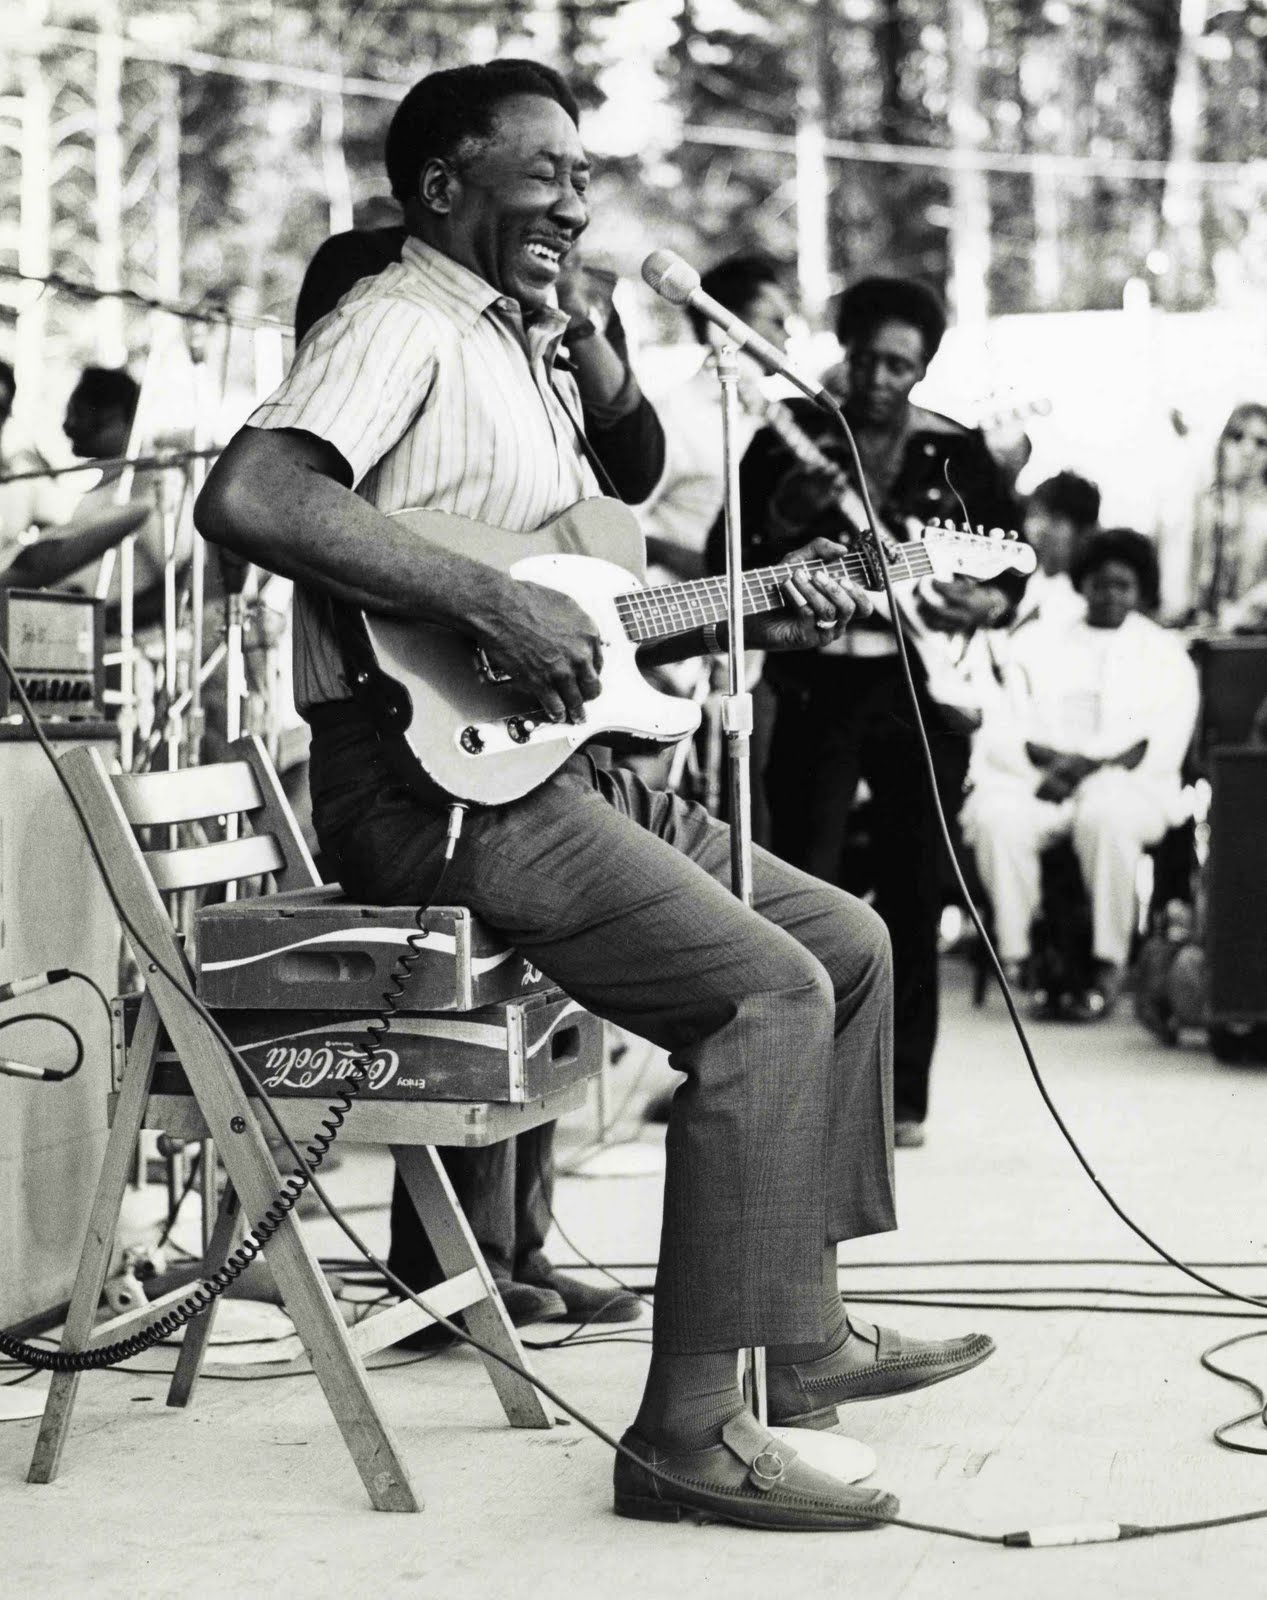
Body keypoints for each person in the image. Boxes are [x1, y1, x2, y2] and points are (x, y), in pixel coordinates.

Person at [196, 59, 995, 1533]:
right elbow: (252, 496)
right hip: (433, 793)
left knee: (849, 943)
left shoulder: (523, 348)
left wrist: (752, 600)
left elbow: (580, 613)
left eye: (584, 174)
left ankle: (796, 1336)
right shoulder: (400, 320)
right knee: (764, 997)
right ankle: (684, 1433)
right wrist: (490, 604)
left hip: (549, 767)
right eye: (544, 169)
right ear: (442, 185)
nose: (575, 199)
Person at [292, 185, 664, 1335]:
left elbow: (635, 465)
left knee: (546, 979)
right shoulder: (380, 306)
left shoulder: (529, 340)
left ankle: (515, 1246)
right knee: (511, 946)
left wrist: (578, 326)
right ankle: (457, 1268)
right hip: (400, 735)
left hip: (503, 721)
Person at [717, 276, 1021, 1148]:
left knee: (916, 884)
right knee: (799, 880)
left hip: (918, 688)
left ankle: (900, 1097)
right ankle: (793, 1084)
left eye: (901, 365)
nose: (881, 380)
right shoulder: (787, 437)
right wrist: (784, 515)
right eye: (867, 360)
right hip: (816, 681)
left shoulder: (954, 450)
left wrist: (986, 603)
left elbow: (1011, 562)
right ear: (842, 354)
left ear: (924, 368)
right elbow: (724, 558)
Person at [962, 529, 1198, 1020]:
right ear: (1082, 583)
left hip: (1126, 786)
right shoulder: (1038, 640)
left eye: (1123, 586)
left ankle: (1110, 963)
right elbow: (1003, 720)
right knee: (997, 819)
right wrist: (1053, 766)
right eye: (1100, 584)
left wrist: (1083, 769)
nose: (1110, 595)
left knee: (1106, 817)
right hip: (1037, 780)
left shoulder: (1163, 652)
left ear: (1140, 589)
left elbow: (1159, 739)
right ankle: (1020, 956)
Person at [0, 359, 149, 592]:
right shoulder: (99, 491)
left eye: (78, 413)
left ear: (112, 416)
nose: (67, 427)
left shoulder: (150, 485)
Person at [1189, 402, 1267, 631]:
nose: (1248, 450)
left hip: (1253, 637)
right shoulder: (1202, 504)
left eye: (1261, 443)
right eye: (1237, 437)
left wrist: (1247, 610)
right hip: (1197, 629)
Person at [1013, 470, 1100, 631]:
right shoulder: (1031, 579)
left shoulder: (1085, 598)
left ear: (1083, 532)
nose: (1041, 527)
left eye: (1056, 520)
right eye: (1035, 515)